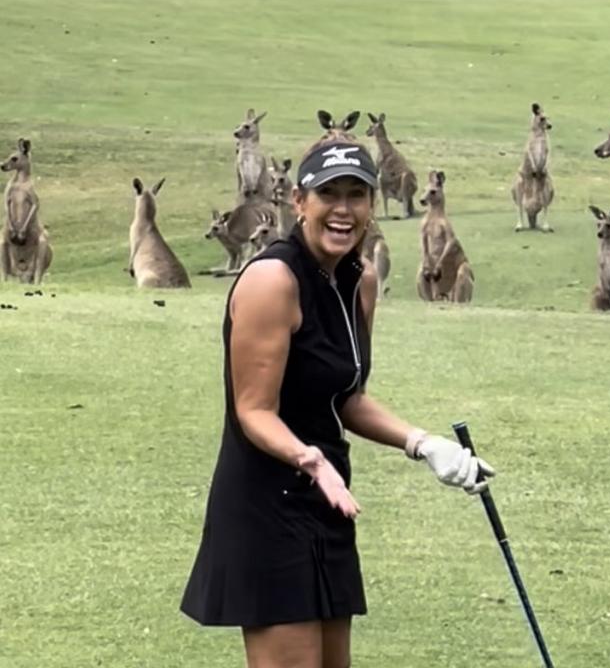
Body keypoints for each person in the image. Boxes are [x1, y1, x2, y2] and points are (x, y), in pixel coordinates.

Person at [180, 137, 494, 668]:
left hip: (327, 498)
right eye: (329, 193)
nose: (344, 210)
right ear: (299, 201)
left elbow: (345, 397)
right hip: (267, 502)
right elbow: (253, 410)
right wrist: (311, 458)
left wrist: (424, 444)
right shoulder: (271, 280)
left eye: (358, 194)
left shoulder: (359, 280)